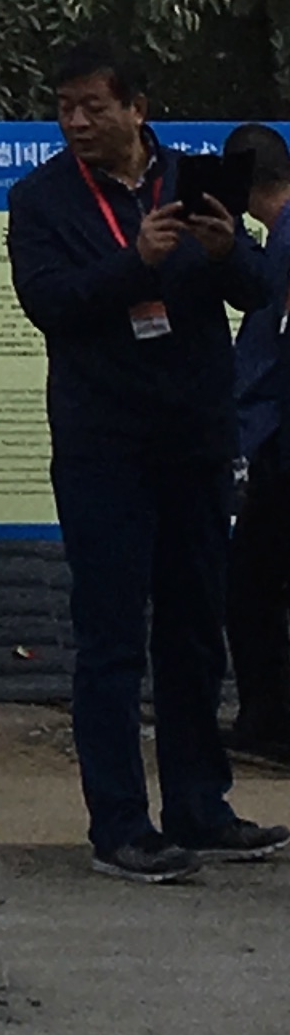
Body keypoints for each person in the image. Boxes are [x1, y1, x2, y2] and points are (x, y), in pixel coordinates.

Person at [6, 42, 285, 882]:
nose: (77, 122)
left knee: (195, 629)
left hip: (195, 437)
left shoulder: (192, 179)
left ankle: (201, 805)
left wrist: (227, 248)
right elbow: (49, 303)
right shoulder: (41, 198)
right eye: (65, 108)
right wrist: (139, 262)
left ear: (137, 108)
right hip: (105, 445)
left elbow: (258, 292)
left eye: (93, 106)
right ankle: (121, 824)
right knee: (113, 635)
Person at [218, 120, 290, 767]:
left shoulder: (284, 241)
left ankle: (270, 719)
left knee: (253, 585)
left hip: (278, 435)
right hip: (272, 431)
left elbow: (272, 338)